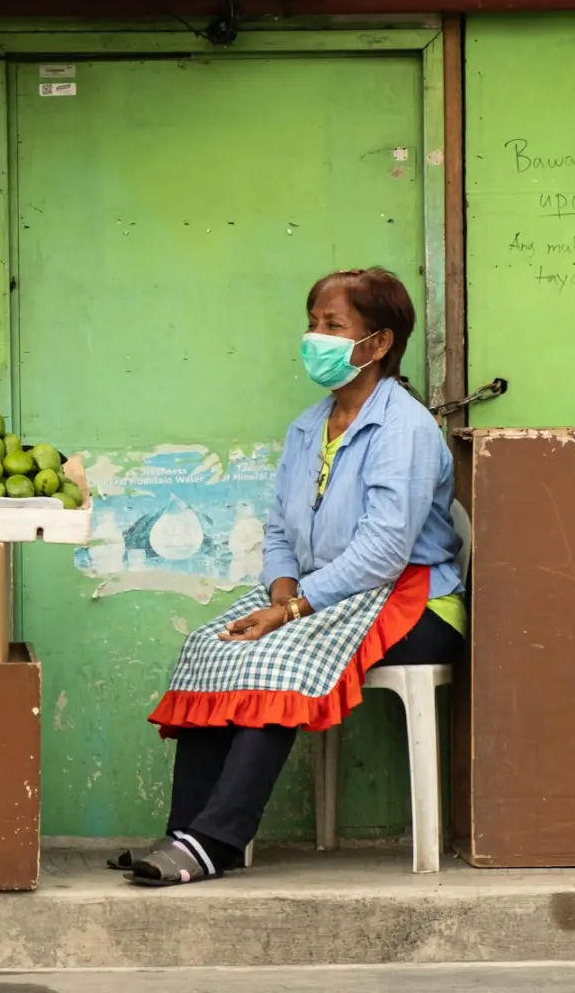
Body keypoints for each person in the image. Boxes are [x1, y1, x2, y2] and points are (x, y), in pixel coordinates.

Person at [118, 267, 465, 887]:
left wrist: (292, 611)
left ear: (378, 343)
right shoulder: (309, 426)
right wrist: (281, 588)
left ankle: (215, 841)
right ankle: (184, 828)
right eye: (312, 323)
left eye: (333, 326)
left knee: (279, 652)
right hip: (321, 596)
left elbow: (385, 551)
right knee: (214, 645)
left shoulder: (405, 428)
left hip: (414, 603)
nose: (316, 337)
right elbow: (280, 527)